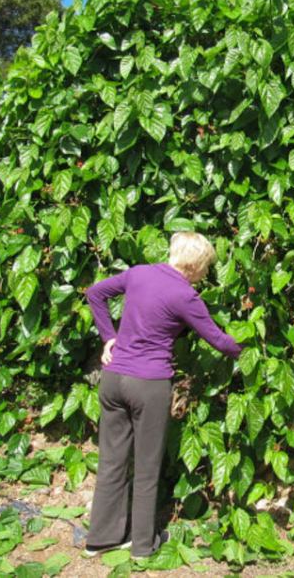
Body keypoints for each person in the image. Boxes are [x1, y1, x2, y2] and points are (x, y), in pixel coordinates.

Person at [83, 231, 242, 559]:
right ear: (195, 265)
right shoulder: (186, 295)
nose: (206, 273)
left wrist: (108, 337)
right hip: (149, 385)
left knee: (111, 460)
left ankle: (100, 539)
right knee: (147, 465)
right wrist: (249, 349)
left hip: (113, 379)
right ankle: (143, 546)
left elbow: (94, 294)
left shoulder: (138, 273)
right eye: (206, 267)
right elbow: (218, 340)